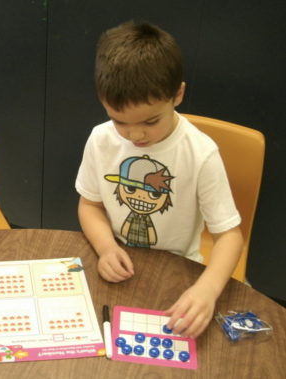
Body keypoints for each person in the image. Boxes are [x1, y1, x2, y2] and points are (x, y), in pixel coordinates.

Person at [75, 21, 243, 338]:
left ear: (177, 94)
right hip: (116, 265)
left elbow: (229, 236)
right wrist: (106, 247)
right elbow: (90, 205)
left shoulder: (201, 153)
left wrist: (207, 290)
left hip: (178, 271)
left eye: (151, 121)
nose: (135, 134)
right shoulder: (101, 139)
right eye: (118, 120)